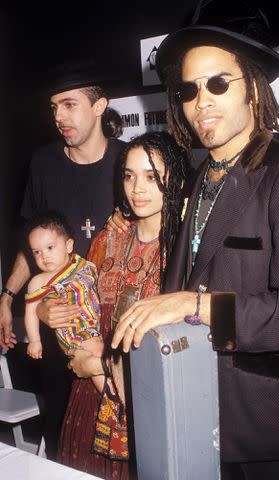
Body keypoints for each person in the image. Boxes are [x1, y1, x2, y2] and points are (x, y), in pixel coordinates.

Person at [111, 1, 279, 479]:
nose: (200, 101)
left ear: (253, 85)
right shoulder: (203, 175)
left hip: (262, 426)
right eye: (188, 89)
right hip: (195, 402)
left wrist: (198, 303)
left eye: (218, 83)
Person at [0, 59, 126, 459]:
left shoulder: (130, 164)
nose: (58, 116)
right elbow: (30, 245)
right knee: (62, 444)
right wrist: (9, 295)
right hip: (58, 336)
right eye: (54, 107)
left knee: (119, 442)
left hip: (114, 331)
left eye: (69, 105)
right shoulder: (44, 164)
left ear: (100, 106)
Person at [56, 131, 188, 478]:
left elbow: (186, 347)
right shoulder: (108, 237)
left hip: (149, 406)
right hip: (89, 399)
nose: (137, 188)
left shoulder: (186, 251)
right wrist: (46, 312)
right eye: (129, 176)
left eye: (152, 177)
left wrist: (99, 363)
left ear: (174, 179)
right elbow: (77, 302)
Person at [24, 211, 104, 393]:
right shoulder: (40, 281)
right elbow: (31, 312)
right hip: (75, 329)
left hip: (96, 322)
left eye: (50, 248)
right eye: (37, 252)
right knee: (98, 355)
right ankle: (110, 397)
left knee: (101, 355)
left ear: (68, 245)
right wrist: (35, 341)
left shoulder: (79, 263)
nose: (44, 256)